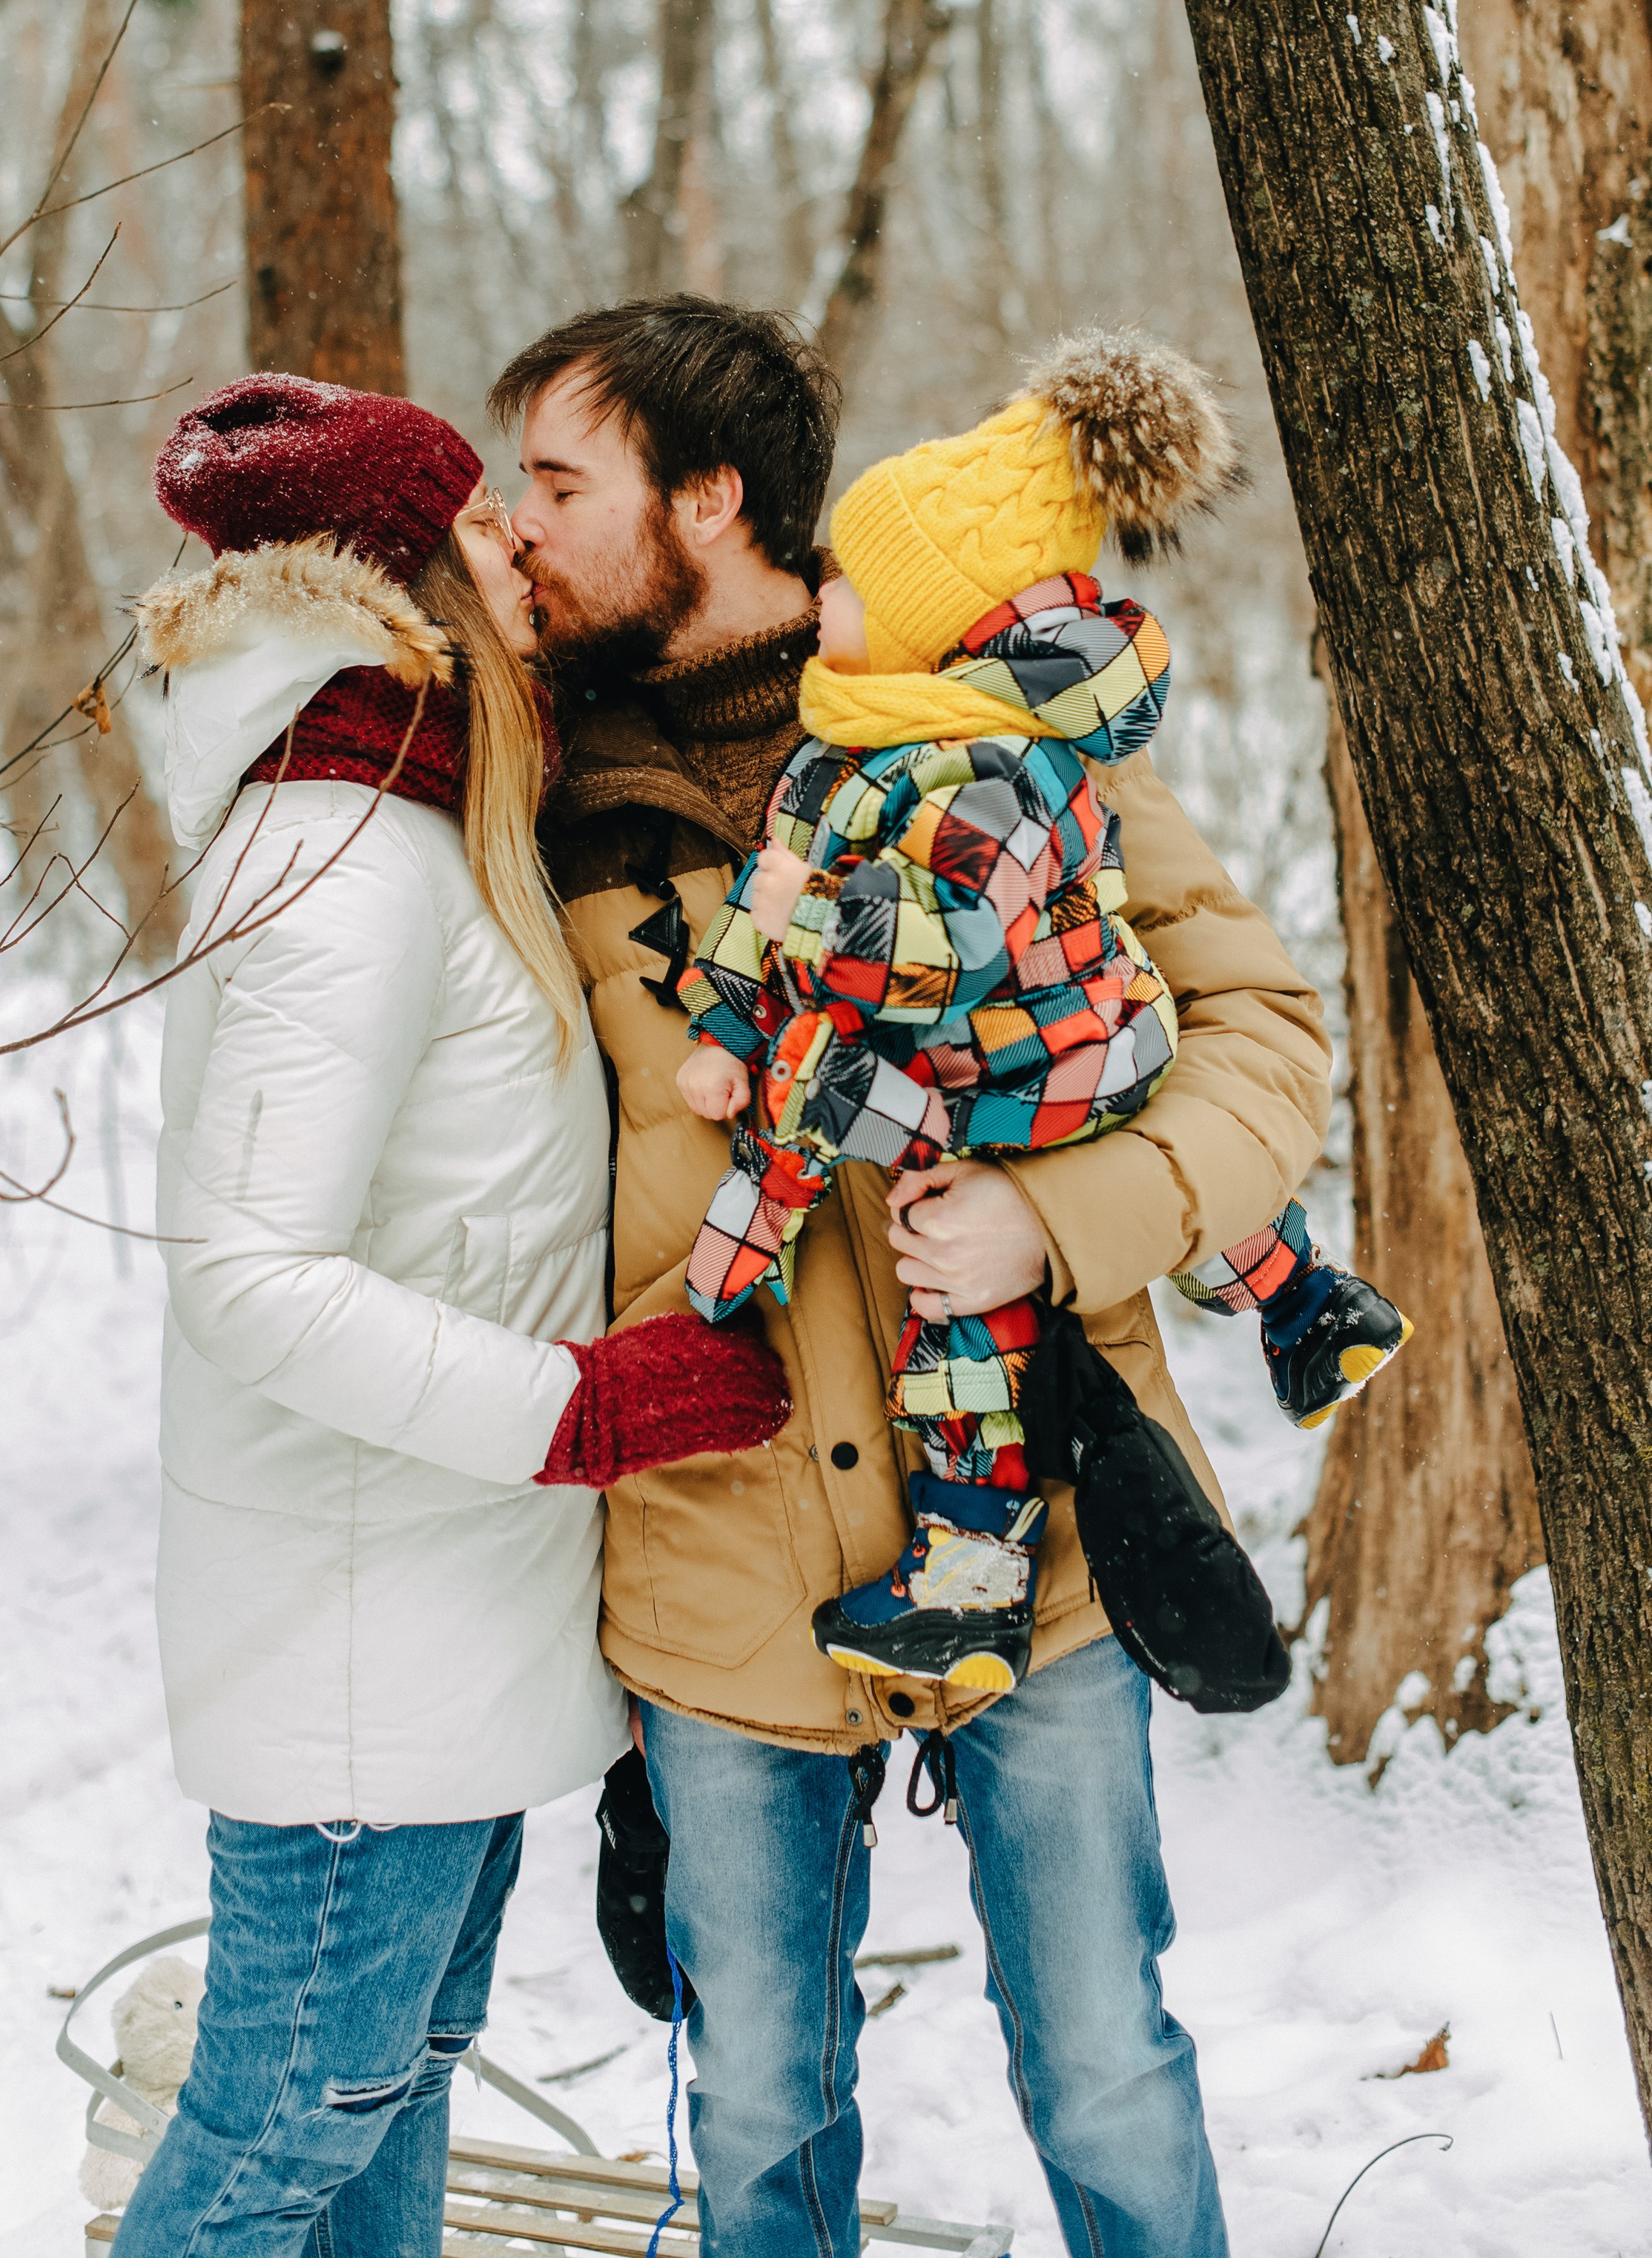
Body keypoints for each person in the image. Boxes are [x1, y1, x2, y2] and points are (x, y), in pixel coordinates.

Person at [489, 296, 1335, 2258]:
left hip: (1029, 1536)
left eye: (556, 482)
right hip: (717, 1575)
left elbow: (1268, 1033)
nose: (517, 526)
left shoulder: (992, 712)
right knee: (764, 2107)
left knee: (1106, 2059)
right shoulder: (529, 807)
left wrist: (1066, 1217)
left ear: (707, 503)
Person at [114, 373, 790, 2258]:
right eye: (485, 521)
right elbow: (249, 1277)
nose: (520, 542)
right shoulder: (337, 864)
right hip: (361, 1661)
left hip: (438, 1624)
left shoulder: (424, 826)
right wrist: (580, 1410)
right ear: (402, 577)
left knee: (382, 2105)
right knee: (275, 2143)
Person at [673, 337, 1409, 1693]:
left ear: (926, 620)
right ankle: (1305, 1305)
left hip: (1052, 1060)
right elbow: (787, 886)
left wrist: (797, 919)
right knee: (945, 1238)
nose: (819, 593)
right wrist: (728, 1022)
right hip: (1011, 1055)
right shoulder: (860, 738)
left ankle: (973, 1577)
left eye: (847, 579)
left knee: (955, 1294)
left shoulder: (1004, 769)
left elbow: (933, 947)